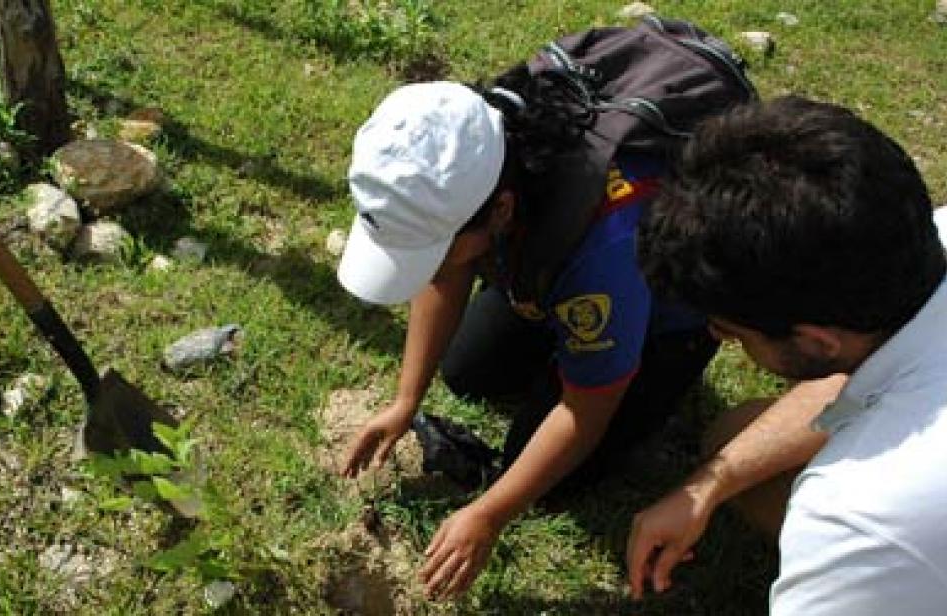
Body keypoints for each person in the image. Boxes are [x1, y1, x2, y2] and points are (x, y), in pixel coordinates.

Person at [334, 69, 720, 599]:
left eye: (437, 246)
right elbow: (446, 267)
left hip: (666, 326)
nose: (433, 264)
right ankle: (552, 324)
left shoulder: (602, 251)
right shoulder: (479, 155)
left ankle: (642, 362)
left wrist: (489, 515)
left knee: (538, 481)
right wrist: (406, 400)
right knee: (467, 372)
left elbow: (586, 411)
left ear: (501, 210)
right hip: (546, 265)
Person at [628, 95, 947, 614]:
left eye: (730, 330)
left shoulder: (859, 517)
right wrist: (714, 481)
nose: (718, 336)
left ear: (818, 342)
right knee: (735, 438)